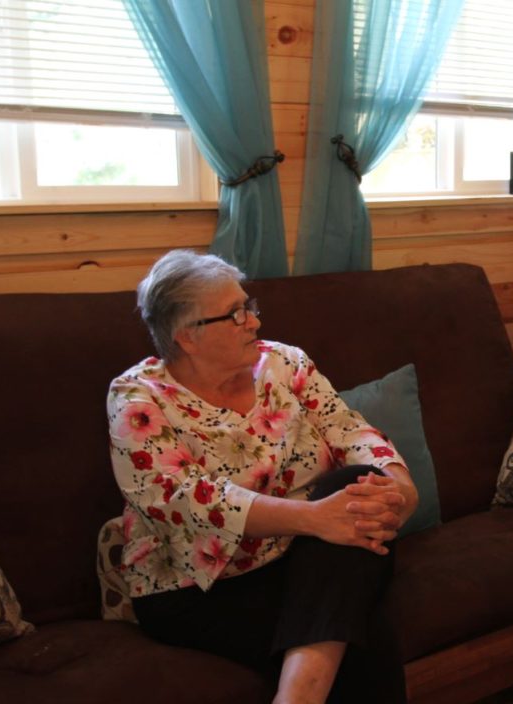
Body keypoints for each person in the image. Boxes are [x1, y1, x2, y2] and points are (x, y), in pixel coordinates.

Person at [106, 249, 418, 704]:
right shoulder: (137, 397)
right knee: (364, 641)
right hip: (198, 585)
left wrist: (401, 489)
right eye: (234, 315)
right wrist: (314, 518)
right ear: (187, 336)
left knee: (356, 485)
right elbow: (183, 498)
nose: (252, 321)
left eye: (248, 306)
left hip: (301, 557)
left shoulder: (285, 364)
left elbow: (348, 428)